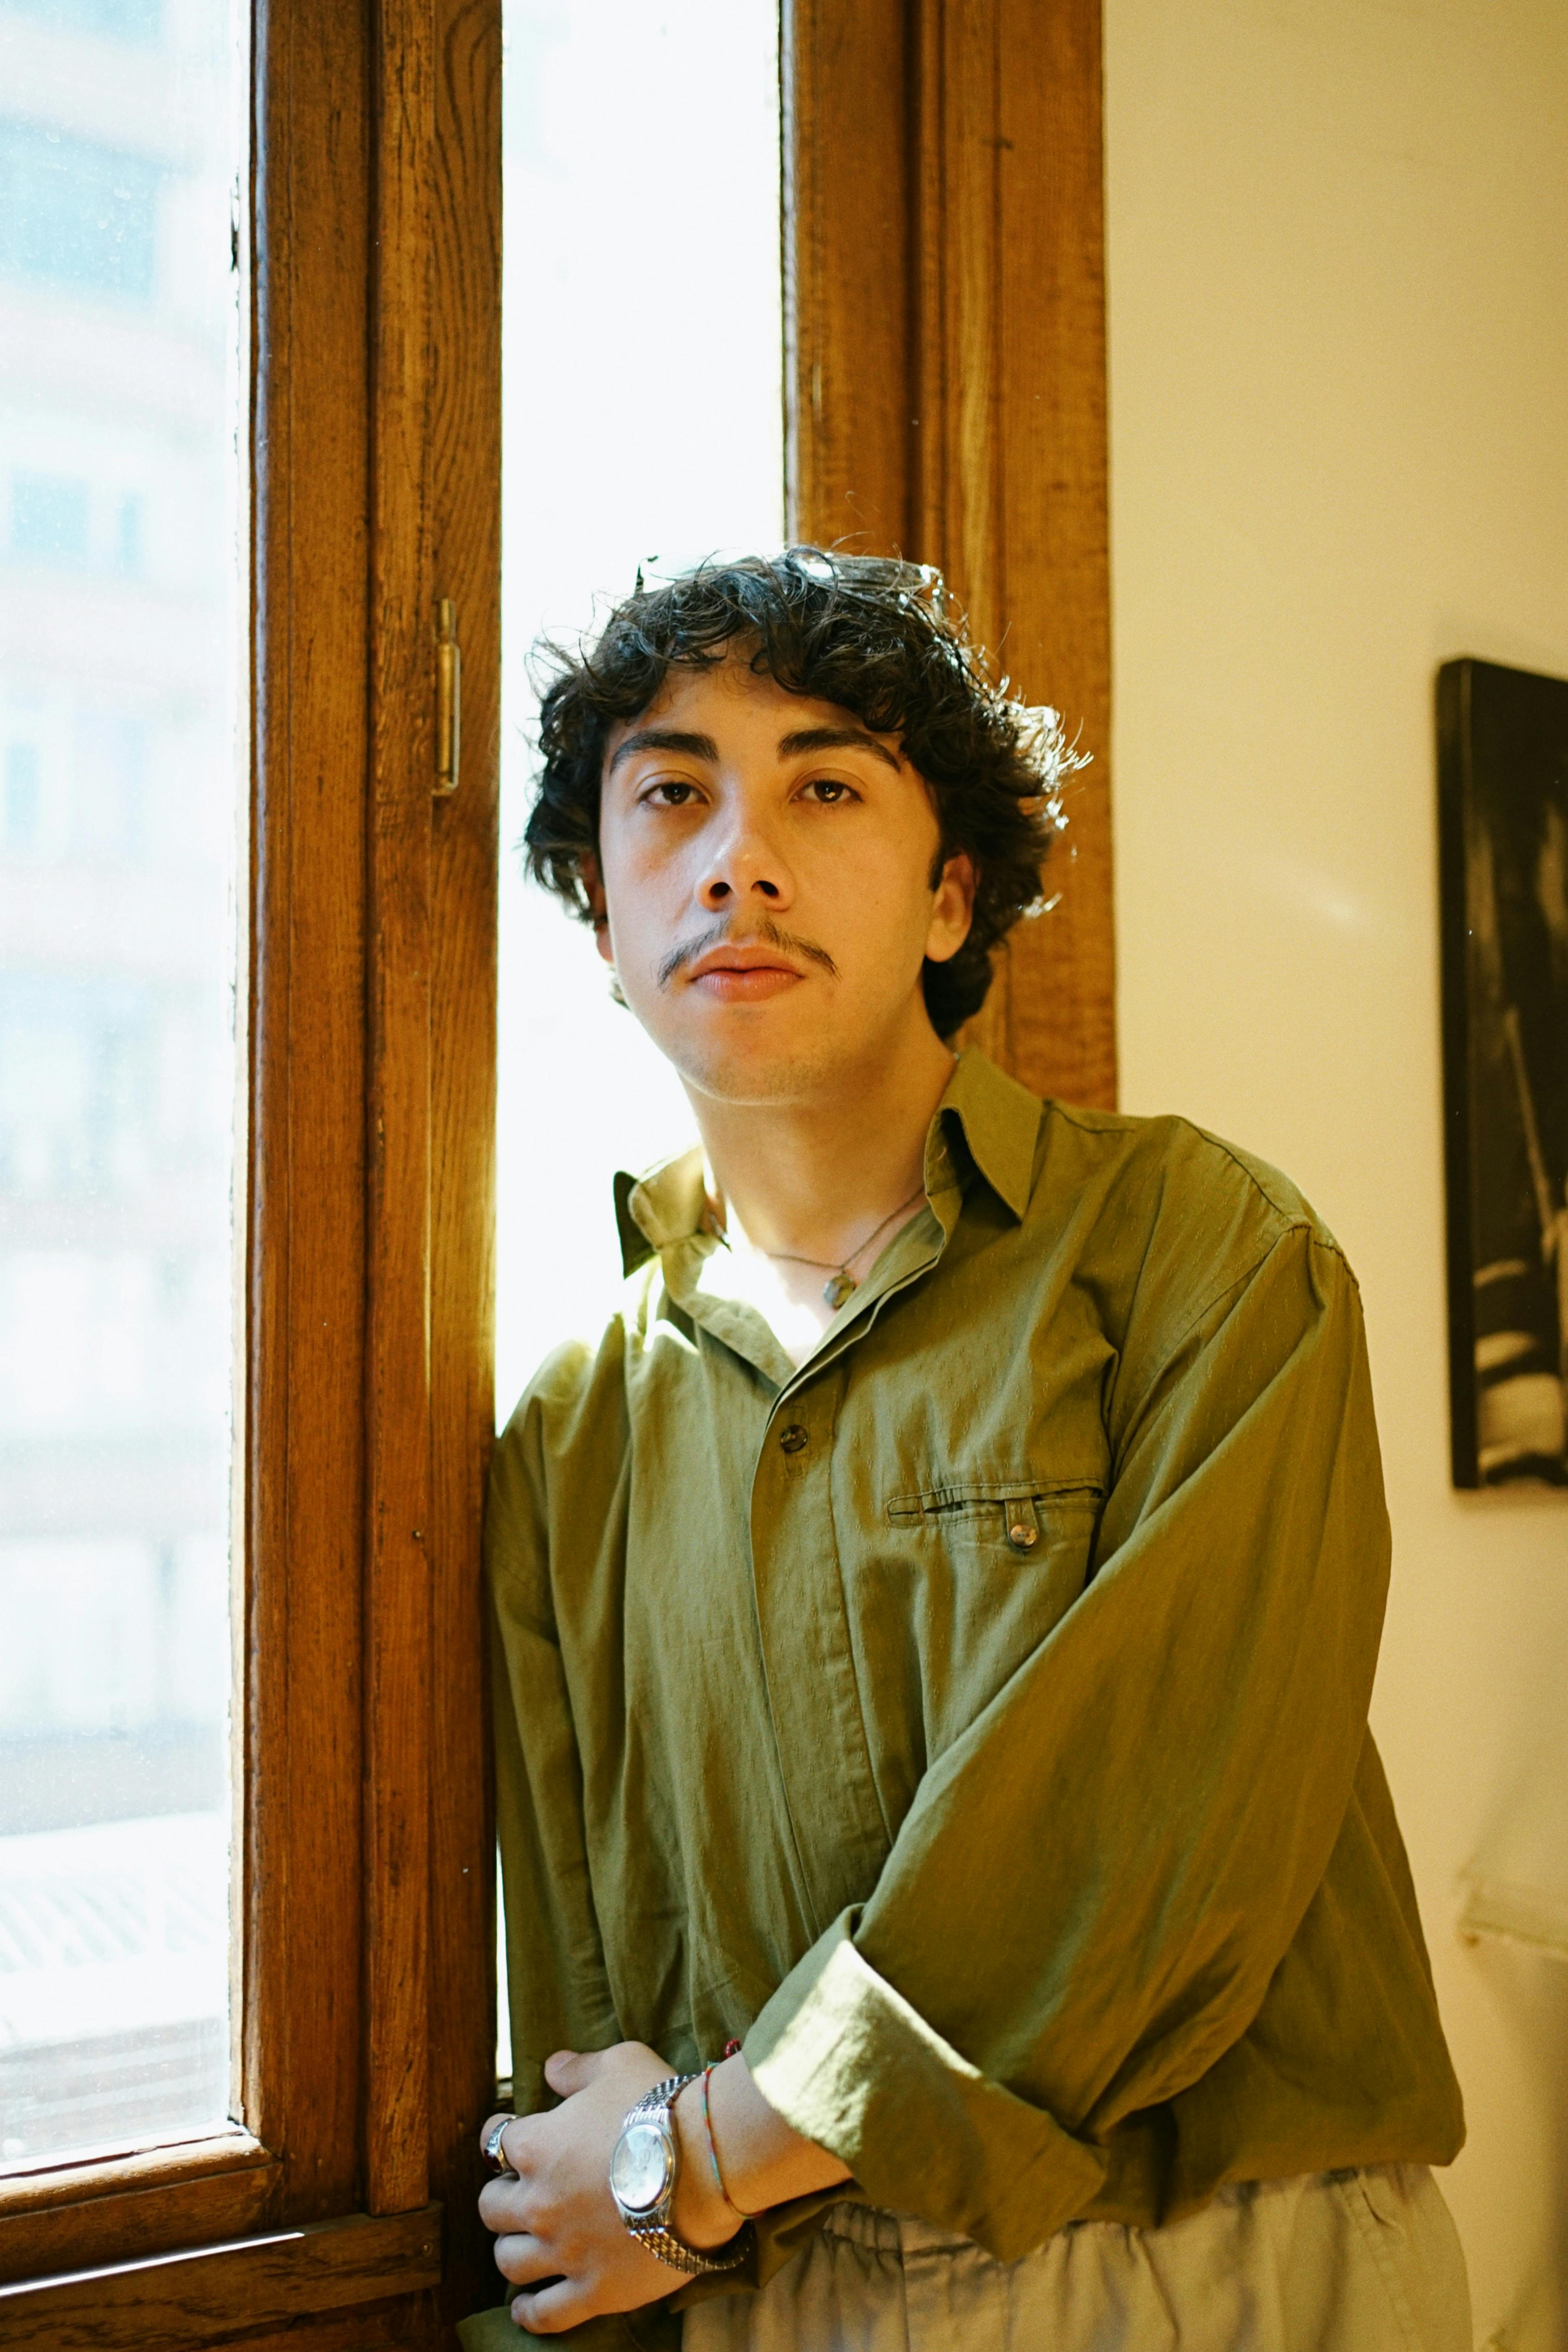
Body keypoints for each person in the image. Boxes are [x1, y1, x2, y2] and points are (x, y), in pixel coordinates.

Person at [465, 550, 1469, 2351]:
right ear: (602, 921)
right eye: (671, 792)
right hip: (758, 2289)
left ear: (947, 899)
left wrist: (694, 2157)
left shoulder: (1205, 1249)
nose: (737, 856)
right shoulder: (569, 1430)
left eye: (824, 785)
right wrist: (647, 2201)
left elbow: (1155, 1842)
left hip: (1216, 2262)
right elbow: (585, 1997)